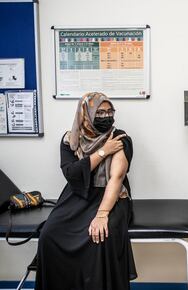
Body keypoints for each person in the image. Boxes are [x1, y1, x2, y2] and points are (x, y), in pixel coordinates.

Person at [35, 92, 137, 290]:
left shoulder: (119, 138)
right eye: (99, 113)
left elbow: (116, 178)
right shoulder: (70, 140)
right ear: (86, 114)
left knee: (102, 236)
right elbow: (72, 173)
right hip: (78, 193)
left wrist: (102, 214)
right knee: (49, 234)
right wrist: (103, 152)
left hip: (112, 196)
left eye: (110, 111)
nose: (106, 116)